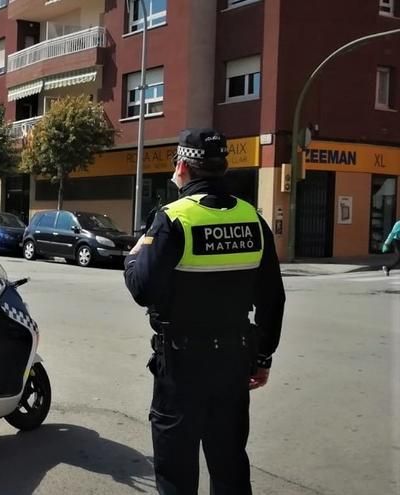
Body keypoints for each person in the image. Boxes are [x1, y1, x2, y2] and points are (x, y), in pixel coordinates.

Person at [124, 128, 286, 495]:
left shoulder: (173, 218)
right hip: (233, 361)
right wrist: (263, 357)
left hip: (182, 366)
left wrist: (132, 258)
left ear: (182, 166)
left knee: (176, 469)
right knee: (229, 463)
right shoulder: (252, 218)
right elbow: (272, 298)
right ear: (222, 167)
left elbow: (143, 288)